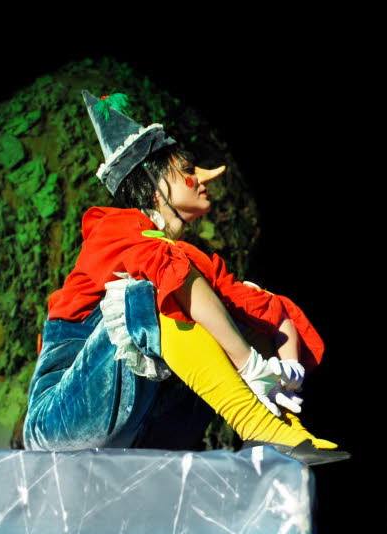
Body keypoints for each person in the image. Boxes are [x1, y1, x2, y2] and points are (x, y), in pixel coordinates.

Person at [22, 90, 349, 465]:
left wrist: (285, 374)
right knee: (144, 295)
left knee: (231, 309)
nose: (204, 178)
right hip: (60, 423)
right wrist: (249, 365)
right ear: (154, 183)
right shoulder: (115, 229)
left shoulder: (191, 257)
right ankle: (255, 423)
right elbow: (163, 276)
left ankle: (281, 432)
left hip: (143, 434)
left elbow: (268, 310)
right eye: (188, 171)